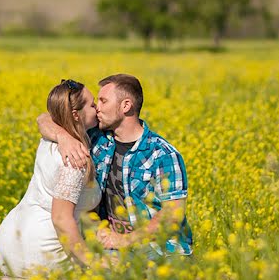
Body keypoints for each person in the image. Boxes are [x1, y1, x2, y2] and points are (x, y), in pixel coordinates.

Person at [38, 74, 193, 257]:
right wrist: (62, 137)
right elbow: (44, 118)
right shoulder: (97, 140)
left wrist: (126, 240)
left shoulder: (162, 154)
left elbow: (173, 214)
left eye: (103, 101)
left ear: (126, 106)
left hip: (158, 248)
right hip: (109, 245)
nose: (97, 108)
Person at [0, 79, 102, 277]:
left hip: (8, 248)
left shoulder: (50, 139)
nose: (97, 108)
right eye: (92, 104)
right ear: (76, 115)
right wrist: (94, 264)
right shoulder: (74, 157)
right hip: (42, 254)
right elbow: (61, 219)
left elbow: (44, 118)